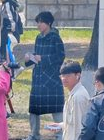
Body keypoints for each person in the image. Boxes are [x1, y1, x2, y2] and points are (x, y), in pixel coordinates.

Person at [27, 11, 65, 140]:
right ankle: (34, 134)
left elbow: (60, 57)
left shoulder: (55, 37)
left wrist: (42, 58)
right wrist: (30, 58)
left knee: (56, 109)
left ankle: (61, 135)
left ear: (48, 23)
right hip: (38, 79)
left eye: (41, 22)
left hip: (51, 79)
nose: (38, 25)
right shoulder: (38, 37)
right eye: (37, 22)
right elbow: (36, 55)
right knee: (34, 109)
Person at [58, 61, 91, 140]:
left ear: (78, 76)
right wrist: (60, 125)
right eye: (62, 75)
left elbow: (79, 128)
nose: (64, 78)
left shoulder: (78, 97)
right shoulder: (73, 93)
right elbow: (72, 122)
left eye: (68, 75)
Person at [0, 0, 21, 69]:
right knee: (6, 53)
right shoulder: (5, 4)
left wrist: (12, 31)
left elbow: (12, 19)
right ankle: (10, 70)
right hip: (5, 33)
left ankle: (13, 69)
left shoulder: (8, 4)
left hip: (9, 33)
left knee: (8, 53)